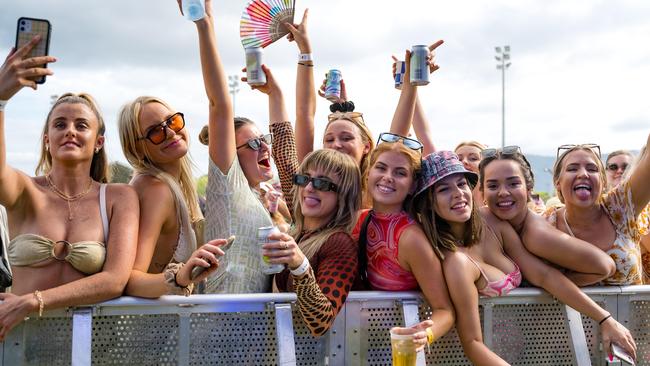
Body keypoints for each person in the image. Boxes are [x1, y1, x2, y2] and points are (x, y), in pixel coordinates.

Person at [412, 151, 637, 365]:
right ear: (429, 202)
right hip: (487, 357)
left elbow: (543, 275)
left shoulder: (490, 220)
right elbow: (472, 344)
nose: (458, 193)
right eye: (443, 189)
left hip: (530, 349)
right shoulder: (456, 263)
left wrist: (605, 319)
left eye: (462, 184)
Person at [0, 38, 139, 340]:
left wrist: (31, 302)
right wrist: (0, 100)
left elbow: (114, 280)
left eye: (81, 125)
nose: (70, 131)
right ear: (47, 139)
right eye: (60, 125)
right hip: (20, 343)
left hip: (91, 345)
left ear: (98, 142)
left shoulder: (118, 197)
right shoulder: (24, 191)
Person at [198, 0, 282, 294]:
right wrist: (205, 24)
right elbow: (219, 105)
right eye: (254, 143)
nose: (265, 148)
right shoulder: (227, 187)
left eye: (265, 140)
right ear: (231, 156)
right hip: (214, 330)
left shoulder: (260, 197)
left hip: (247, 334)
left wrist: (276, 95)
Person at [353, 137, 455, 349]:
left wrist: (424, 335)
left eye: (400, 173)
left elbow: (445, 311)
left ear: (412, 186)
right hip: (363, 341)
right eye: (381, 168)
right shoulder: (359, 220)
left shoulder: (411, 239)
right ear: (369, 173)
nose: (387, 177)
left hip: (402, 347)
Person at [478, 146, 615, 285]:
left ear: (529, 189)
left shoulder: (535, 233)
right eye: (493, 186)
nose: (503, 192)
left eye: (513, 184)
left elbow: (605, 266)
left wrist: (546, 287)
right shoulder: (485, 221)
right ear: (482, 192)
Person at [263, 149, 360, 337]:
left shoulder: (339, 243)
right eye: (304, 178)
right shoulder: (296, 233)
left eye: (322, 183)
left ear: (344, 195)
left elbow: (321, 322)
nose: (308, 188)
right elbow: (283, 157)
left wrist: (300, 267)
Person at [287, 12, 375, 208]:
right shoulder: (313, 183)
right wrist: (305, 51)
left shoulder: (378, 187)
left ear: (367, 146)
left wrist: (344, 109)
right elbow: (304, 114)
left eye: (346, 138)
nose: (336, 145)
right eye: (329, 139)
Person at [546, 140, 650, 285]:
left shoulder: (621, 206)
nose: (583, 174)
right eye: (572, 169)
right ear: (558, 182)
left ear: (603, 182)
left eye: (592, 169)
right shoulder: (546, 223)